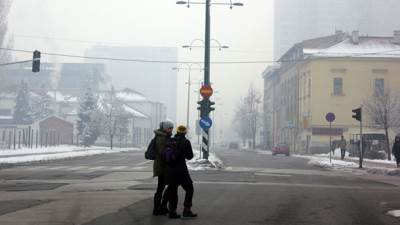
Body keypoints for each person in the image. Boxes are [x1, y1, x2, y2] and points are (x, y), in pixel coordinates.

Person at [164, 125, 197, 219]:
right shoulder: (185, 142)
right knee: (189, 188)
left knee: (173, 191)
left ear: (177, 131)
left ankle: (172, 212)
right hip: (181, 170)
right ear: (185, 132)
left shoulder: (170, 140)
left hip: (170, 170)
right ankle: (186, 210)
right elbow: (189, 156)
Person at [152, 121, 174, 216]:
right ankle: (158, 208)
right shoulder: (161, 138)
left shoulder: (165, 136)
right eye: (169, 128)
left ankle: (160, 207)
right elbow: (162, 152)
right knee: (164, 187)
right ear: (165, 128)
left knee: (164, 187)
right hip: (162, 166)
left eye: (172, 128)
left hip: (163, 166)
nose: (171, 130)